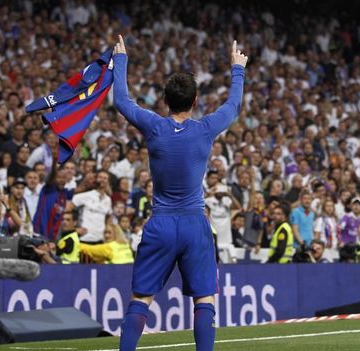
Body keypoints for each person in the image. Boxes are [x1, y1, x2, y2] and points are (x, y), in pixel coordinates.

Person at [112, 36, 246, 351]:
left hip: (160, 224)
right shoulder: (205, 128)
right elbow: (234, 104)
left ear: (165, 100)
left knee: (141, 299)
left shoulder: (154, 127)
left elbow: (121, 99)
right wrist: (237, 68)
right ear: (196, 100)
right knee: (205, 298)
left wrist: (121, 60)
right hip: (194, 223)